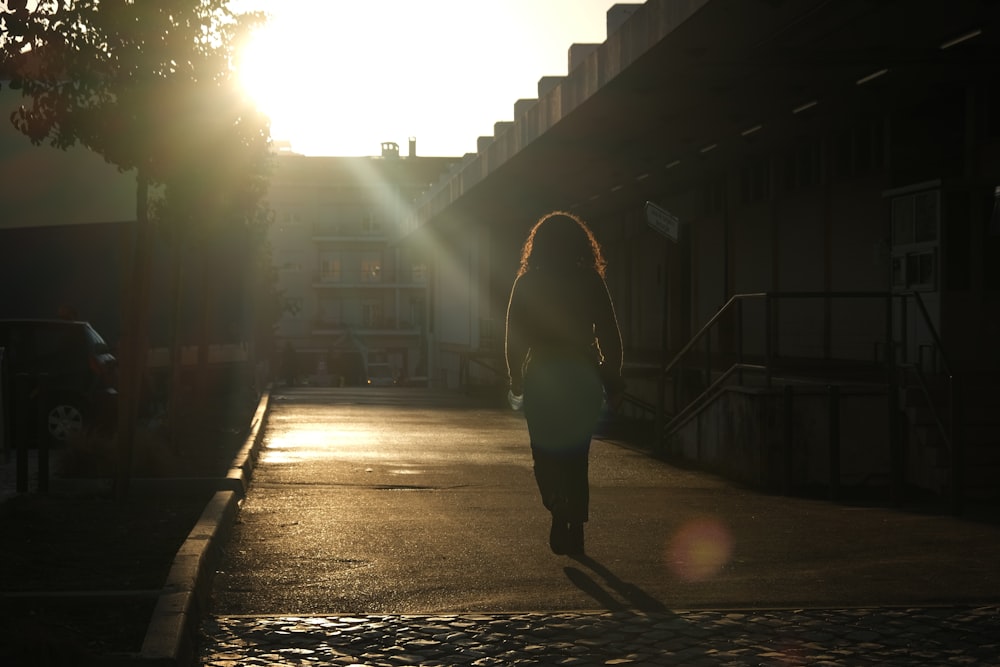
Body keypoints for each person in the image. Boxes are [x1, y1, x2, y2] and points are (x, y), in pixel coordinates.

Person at [505, 211, 625, 555]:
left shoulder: (527, 283)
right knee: (576, 455)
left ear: (537, 247)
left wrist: (516, 379)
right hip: (581, 375)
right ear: (580, 245)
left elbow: (514, 337)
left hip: (542, 374)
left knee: (544, 452)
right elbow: (609, 334)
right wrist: (613, 378)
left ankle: (556, 502)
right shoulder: (589, 281)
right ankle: (576, 524)